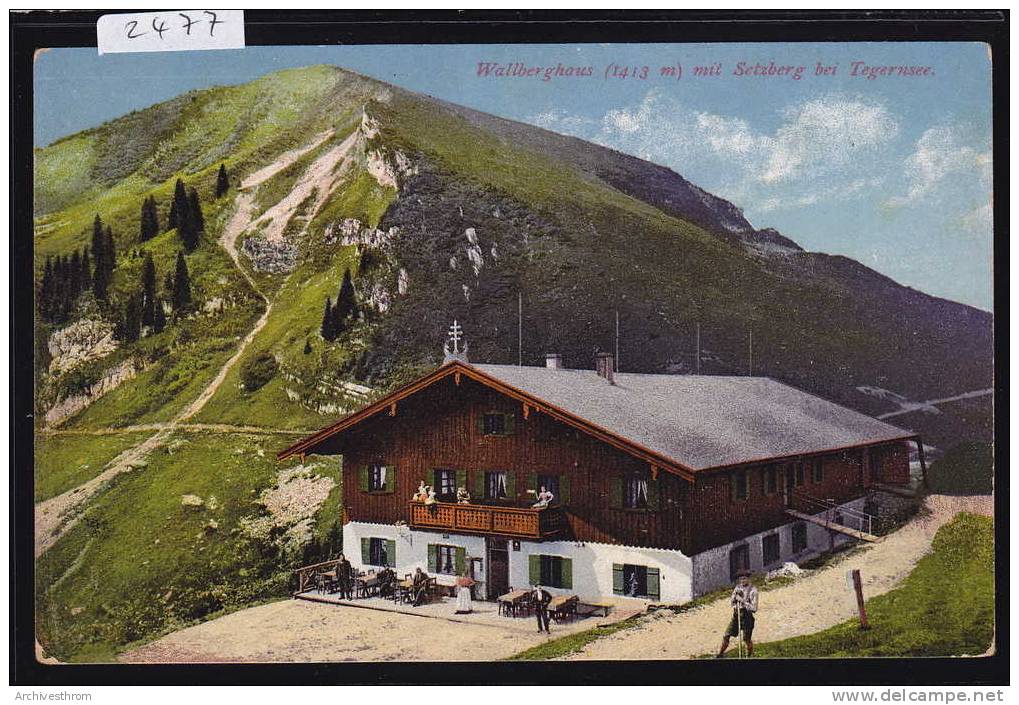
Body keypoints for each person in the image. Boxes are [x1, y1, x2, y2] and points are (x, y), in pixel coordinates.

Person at [717, 572, 759, 658]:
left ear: (748, 579)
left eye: (744, 578)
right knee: (726, 635)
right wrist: (734, 598)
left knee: (746, 640)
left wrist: (743, 600)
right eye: (740, 579)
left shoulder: (753, 591)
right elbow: (732, 602)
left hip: (747, 617)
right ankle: (720, 654)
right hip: (736, 615)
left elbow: (754, 608)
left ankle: (749, 656)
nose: (742, 581)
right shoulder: (737, 588)